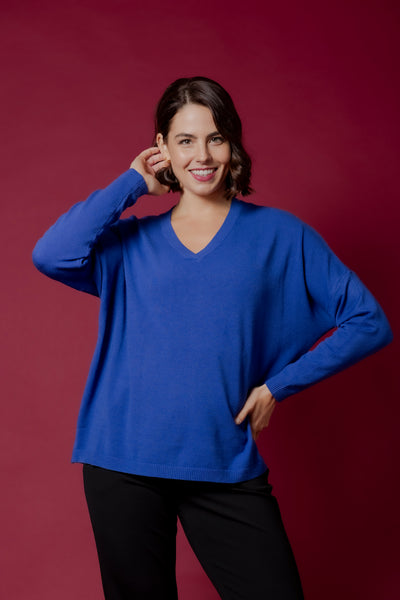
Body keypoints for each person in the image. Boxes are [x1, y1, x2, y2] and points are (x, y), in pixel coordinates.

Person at [32, 76, 393, 600]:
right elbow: (51, 254)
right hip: (122, 462)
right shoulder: (128, 245)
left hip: (222, 461)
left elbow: (367, 320)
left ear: (232, 144)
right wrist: (133, 184)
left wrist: (278, 387)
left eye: (215, 138)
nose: (202, 155)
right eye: (185, 140)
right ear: (162, 147)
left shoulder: (279, 235)